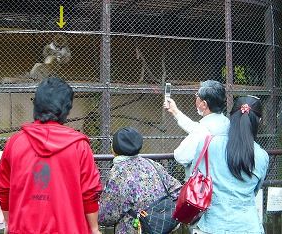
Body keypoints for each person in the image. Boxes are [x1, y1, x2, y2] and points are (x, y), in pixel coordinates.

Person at [0, 77, 102, 233]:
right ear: (66, 108)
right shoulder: (79, 146)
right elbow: (90, 193)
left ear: (36, 105)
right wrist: (94, 229)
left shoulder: (15, 143)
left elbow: (4, 190)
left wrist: (8, 224)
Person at [190, 95, 269, 234]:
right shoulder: (262, 156)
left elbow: (195, 178)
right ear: (259, 120)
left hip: (212, 226)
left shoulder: (208, 144)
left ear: (231, 116)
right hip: (249, 227)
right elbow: (254, 191)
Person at [98, 127, 181, 233]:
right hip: (162, 227)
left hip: (136, 229)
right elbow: (176, 191)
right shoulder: (152, 164)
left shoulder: (118, 173)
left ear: (114, 148)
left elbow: (107, 216)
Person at [164, 80, 230, 173]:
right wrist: (175, 111)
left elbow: (181, 157)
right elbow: (196, 129)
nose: (196, 98)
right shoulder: (226, 123)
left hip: (204, 184)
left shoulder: (203, 130)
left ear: (203, 104)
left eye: (197, 96)